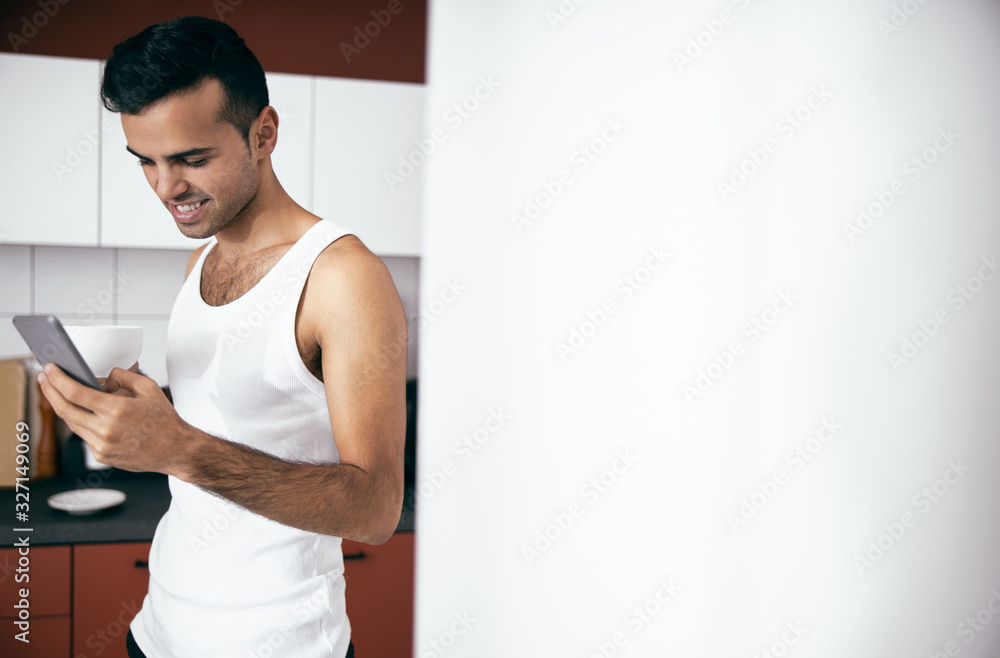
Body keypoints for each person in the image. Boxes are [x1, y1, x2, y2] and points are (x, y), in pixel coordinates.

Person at [37, 15, 408, 658]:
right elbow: (230, 423)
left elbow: (375, 508)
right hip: (159, 631)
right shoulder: (199, 264)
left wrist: (176, 446)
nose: (166, 188)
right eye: (145, 162)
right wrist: (137, 413)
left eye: (191, 159)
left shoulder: (342, 277)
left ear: (262, 134)